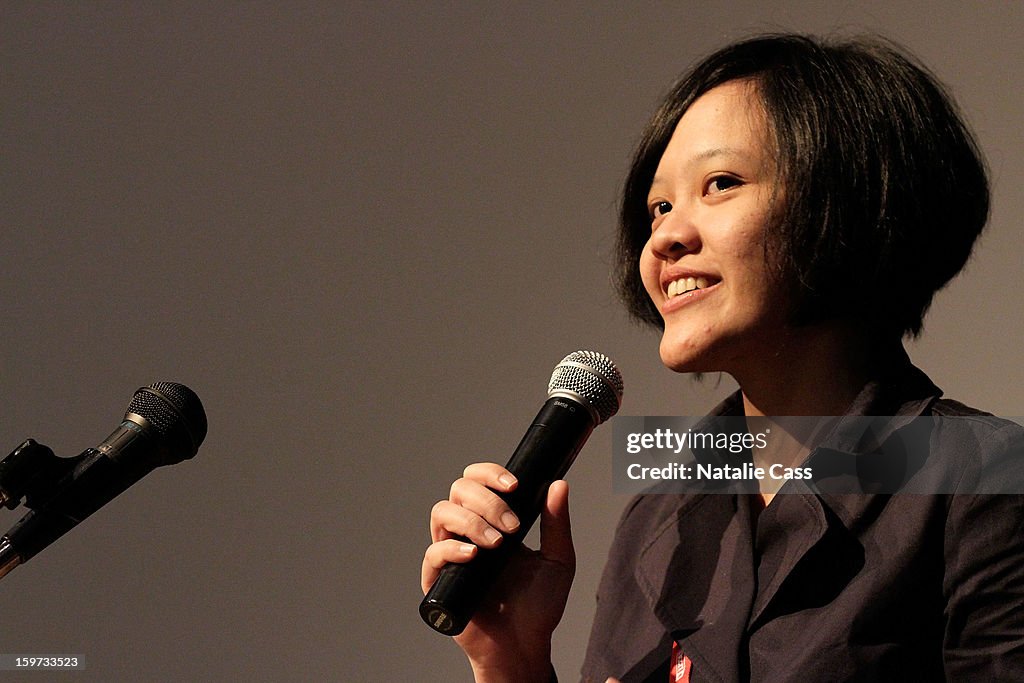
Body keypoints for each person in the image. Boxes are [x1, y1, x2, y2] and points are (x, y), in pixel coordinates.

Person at [421, 33, 1024, 681]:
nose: (666, 237)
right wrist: (512, 660)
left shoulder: (982, 483)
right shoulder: (659, 516)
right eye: (659, 206)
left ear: (850, 201)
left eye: (720, 184)